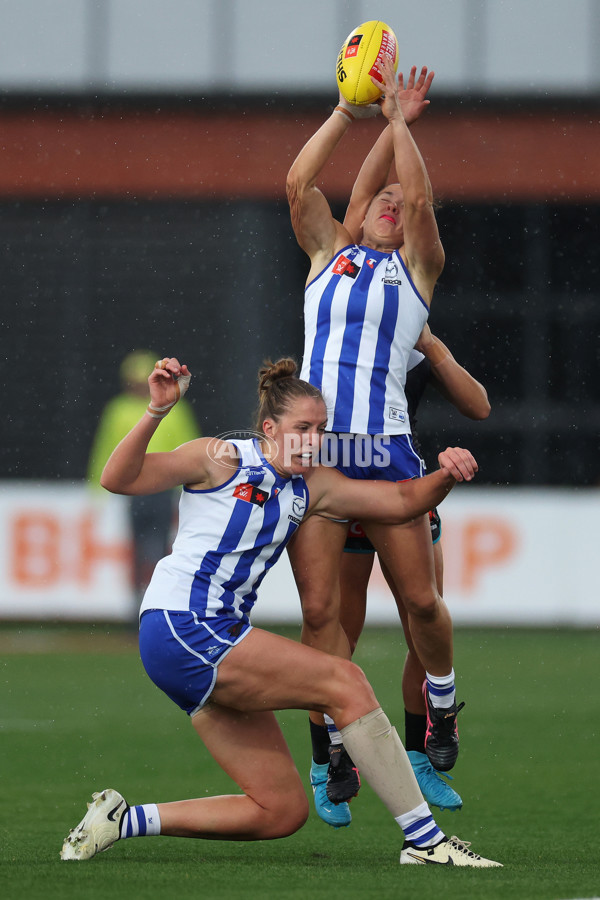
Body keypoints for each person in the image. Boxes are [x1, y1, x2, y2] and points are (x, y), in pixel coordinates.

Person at [60, 355, 500, 868]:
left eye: (319, 429)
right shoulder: (220, 458)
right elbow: (118, 477)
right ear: (269, 428)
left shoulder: (313, 487)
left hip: (210, 639)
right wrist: (157, 411)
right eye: (301, 428)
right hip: (184, 626)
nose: (313, 439)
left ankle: (124, 820)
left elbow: (402, 500)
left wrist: (446, 473)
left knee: (279, 811)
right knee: (346, 683)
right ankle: (426, 843)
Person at [285, 57, 469, 822]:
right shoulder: (328, 253)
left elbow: (419, 194)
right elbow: (300, 187)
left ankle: (441, 715)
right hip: (326, 464)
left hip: (388, 459)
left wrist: (399, 124)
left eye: (401, 202)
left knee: (422, 604)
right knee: (327, 617)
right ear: (357, 214)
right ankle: (332, 752)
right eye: (379, 198)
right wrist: (347, 112)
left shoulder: (417, 272)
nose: (394, 203)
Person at [333, 326, 491, 823]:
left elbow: (479, 406)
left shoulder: (408, 353)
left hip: (406, 497)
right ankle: (329, 760)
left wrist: (432, 343)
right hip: (346, 506)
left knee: (423, 618)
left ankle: (422, 753)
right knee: (337, 630)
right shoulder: (329, 353)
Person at [87, 349, 200, 612]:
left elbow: (190, 448)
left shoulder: (174, 407)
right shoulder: (119, 409)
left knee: (161, 550)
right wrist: (98, 487)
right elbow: (106, 449)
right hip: (135, 491)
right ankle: (140, 607)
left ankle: (157, 605)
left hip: (161, 490)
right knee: (140, 551)